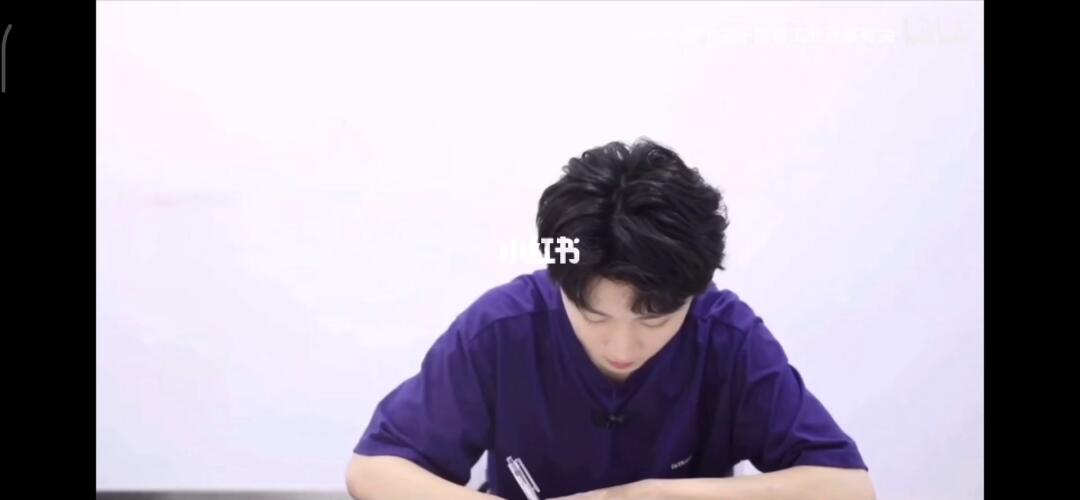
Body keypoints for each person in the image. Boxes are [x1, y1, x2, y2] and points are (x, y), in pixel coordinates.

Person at [345, 138, 874, 499]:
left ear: (695, 292)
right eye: (594, 317)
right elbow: (374, 469)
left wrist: (658, 496)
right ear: (561, 281)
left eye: (655, 320)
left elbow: (847, 487)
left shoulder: (727, 339)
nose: (622, 348)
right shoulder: (504, 327)